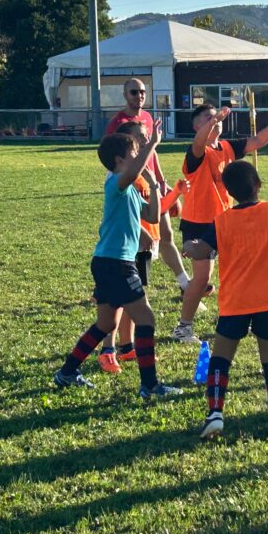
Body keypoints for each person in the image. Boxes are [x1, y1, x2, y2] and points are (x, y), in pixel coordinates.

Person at [184, 160, 268, 440]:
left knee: (221, 357)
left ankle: (215, 413)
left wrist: (189, 246)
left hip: (235, 302)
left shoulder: (223, 220)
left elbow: (202, 250)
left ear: (229, 192)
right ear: (258, 185)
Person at [54, 121, 182, 398]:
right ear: (119, 161)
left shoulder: (132, 189)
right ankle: (149, 385)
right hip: (115, 264)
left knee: (106, 324)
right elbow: (132, 171)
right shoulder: (115, 182)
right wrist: (152, 144)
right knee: (146, 319)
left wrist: (154, 186)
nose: (139, 157)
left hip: (109, 262)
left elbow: (151, 216)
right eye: (135, 152)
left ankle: (67, 372)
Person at [172, 95, 268, 344]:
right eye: (207, 119)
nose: (215, 120)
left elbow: (258, 140)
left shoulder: (227, 148)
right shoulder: (197, 152)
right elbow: (199, 144)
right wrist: (213, 121)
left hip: (226, 221)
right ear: (196, 127)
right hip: (198, 222)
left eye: (216, 117)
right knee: (202, 278)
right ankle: (183, 328)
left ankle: (243, 318)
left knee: (238, 273)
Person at [97, 121, 189, 374]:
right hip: (118, 255)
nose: (144, 147)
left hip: (134, 252)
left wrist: (162, 189)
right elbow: (120, 213)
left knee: (124, 306)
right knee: (120, 309)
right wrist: (153, 145)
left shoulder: (138, 177)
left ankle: (124, 349)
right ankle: (111, 352)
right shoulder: (118, 177)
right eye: (140, 142)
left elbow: (151, 214)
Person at [106, 78, 194, 294]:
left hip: (151, 182)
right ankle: (118, 288)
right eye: (134, 92)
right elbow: (113, 157)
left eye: (143, 91)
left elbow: (151, 151)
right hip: (134, 183)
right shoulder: (119, 122)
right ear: (125, 94)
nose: (139, 96)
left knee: (166, 234)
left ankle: (185, 284)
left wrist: (161, 181)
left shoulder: (146, 117)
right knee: (138, 238)